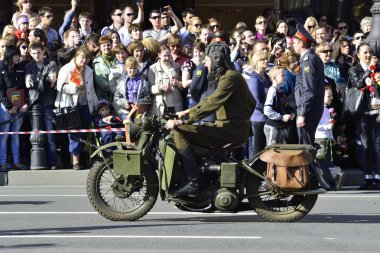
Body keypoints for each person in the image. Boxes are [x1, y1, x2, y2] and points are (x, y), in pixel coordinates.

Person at [165, 35, 256, 196]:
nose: (205, 64)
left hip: (230, 129)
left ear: (216, 60)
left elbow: (212, 102)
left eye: (207, 60)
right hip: (231, 126)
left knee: (180, 132)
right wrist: (186, 112)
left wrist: (183, 120)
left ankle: (193, 182)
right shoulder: (227, 77)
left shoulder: (230, 78)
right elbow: (209, 101)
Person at [55, 46, 98, 170]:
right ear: (76, 56)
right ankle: (75, 161)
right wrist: (76, 87)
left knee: (84, 132)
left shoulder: (89, 70)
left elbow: (92, 90)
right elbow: (60, 87)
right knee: (74, 133)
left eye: (86, 58)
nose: (84, 61)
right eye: (82, 58)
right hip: (71, 106)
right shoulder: (66, 69)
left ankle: (78, 157)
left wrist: (96, 105)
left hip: (85, 105)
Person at [347, 42, 380, 190]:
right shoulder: (354, 69)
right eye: (365, 52)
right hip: (362, 112)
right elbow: (358, 83)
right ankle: (367, 177)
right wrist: (370, 70)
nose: (368, 55)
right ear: (358, 54)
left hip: (378, 111)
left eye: (370, 52)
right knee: (366, 146)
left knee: (378, 145)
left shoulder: (378, 68)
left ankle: (378, 176)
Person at [25, 42, 58, 170]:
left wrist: (39, 81)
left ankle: (52, 162)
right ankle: (34, 161)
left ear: (43, 51)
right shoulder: (29, 66)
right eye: (33, 53)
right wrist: (44, 80)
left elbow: (51, 82)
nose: (36, 55)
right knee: (34, 137)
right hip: (34, 105)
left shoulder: (51, 64)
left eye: (38, 52)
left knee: (50, 136)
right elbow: (28, 84)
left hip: (48, 103)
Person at [293, 23, 325, 145]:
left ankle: (309, 165)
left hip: (308, 110)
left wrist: (302, 113)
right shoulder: (311, 58)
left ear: (301, 44)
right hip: (310, 108)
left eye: (295, 43)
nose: (293, 45)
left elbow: (309, 89)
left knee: (306, 146)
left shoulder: (308, 61)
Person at [0, 46, 28, 171]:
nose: (18, 57)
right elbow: (0, 89)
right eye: (15, 55)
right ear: (10, 55)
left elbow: (25, 88)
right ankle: (2, 162)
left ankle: (16, 161)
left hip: (19, 105)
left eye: (18, 55)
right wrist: (8, 106)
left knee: (15, 134)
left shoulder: (21, 68)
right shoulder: (2, 68)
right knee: (4, 134)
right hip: (5, 107)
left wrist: (25, 103)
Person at [247, 51, 271, 159]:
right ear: (256, 62)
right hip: (257, 118)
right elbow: (255, 101)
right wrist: (269, 110)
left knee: (265, 149)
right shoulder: (254, 78)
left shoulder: (267, 77)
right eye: (262, 60)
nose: (266, 61)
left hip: (266, 117)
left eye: (266, 59)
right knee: (257, 149)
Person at [263, 66, 295, 145]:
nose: (285, 77)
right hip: (273, 127)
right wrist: (281, 117)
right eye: (282, 75)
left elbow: (282, 106)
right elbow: (267, 110)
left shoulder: (280, 90)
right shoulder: (272, 91)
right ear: (274, 78)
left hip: (280, 126)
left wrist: (290, 113)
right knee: (272, 151)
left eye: (285, 75)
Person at [148, 45, 183, 114]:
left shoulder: (177, 66)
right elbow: (149, 89)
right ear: (159, 55)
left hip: (176, 105)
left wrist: (178, 84)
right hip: (160, 107)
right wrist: (160, 87)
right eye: (164, 56)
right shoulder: (152, 68)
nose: (167, 58)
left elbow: (183, 86)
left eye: (169, 55)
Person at [93, 36, 114, 102]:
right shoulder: (97, 61)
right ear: (100, 47)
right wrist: (113, 89)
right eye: (104, 46)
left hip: (119, 94)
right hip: (105, 96)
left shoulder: (117, 58)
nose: (106, 47)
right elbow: (100, 81)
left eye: (108, 45)